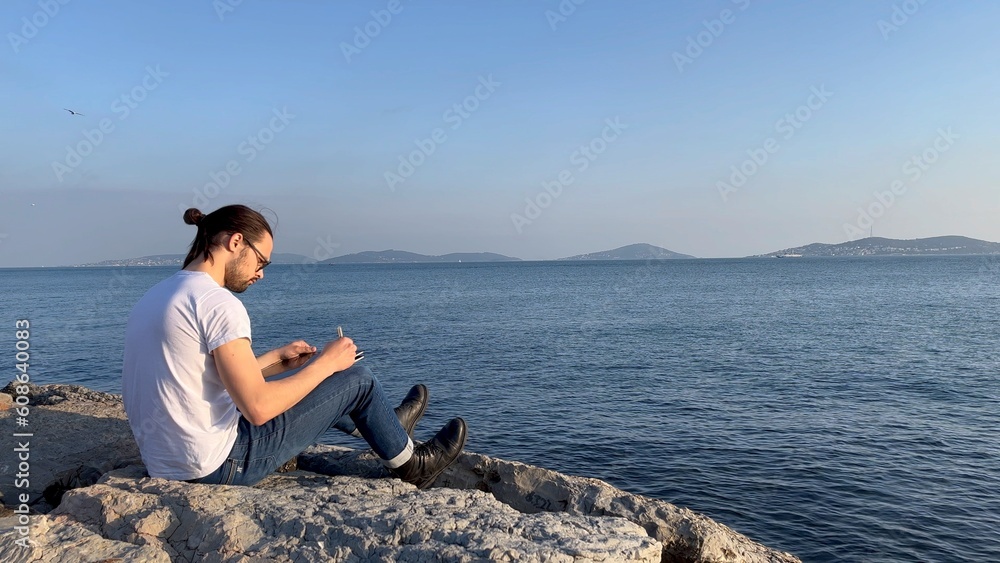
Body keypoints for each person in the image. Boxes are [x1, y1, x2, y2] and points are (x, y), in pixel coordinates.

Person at [121, 204, 466, 488]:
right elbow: (256, 408)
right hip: (217, 466)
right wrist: (327, 364)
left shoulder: (160, 295)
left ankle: (387, 423)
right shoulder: (218, 303)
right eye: (261, 261)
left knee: (318, 384)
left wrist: (275, 361)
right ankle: (414, 466)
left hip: (169, 463)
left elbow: (195, 377)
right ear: (236, 242)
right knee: (358, 379)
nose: (261, 274)